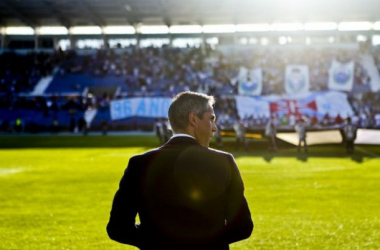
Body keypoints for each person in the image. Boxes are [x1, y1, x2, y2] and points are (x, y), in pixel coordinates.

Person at [107, 91, 253, 250]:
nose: (215, 128)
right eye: (211, 119)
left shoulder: (140, 163)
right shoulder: (223, 161)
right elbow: (242, 226)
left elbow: (118, 227)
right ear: (193, 119)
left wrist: (157, 240)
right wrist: (206, 240)